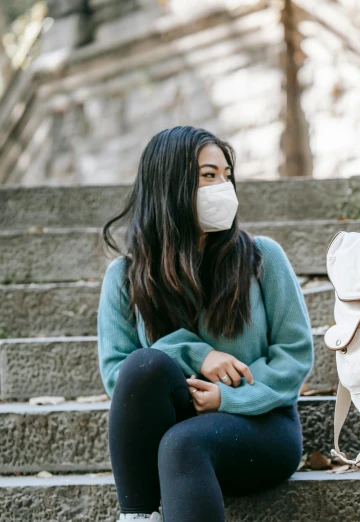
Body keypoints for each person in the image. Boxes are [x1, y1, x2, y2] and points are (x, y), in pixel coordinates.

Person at [97, 126, 313, 522]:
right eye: (208, 175)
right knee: (146, 368)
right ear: (171, 185)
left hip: (261, 425)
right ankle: (138, 516)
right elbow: (118, 374)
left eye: (227, 175)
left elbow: (294, 356)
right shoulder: (126, 277)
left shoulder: (262, 258)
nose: (223, 186)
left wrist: (226, 398)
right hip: (169, 429)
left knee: (182, 444)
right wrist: (198, 354)